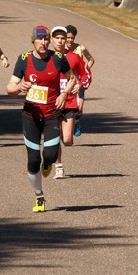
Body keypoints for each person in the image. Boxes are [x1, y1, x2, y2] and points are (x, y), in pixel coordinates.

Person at [6, 26, 76, 212]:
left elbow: (72, 78)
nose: (44, 43)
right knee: (33, 160)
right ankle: (39, 196)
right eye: (40, 39)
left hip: (52, 114)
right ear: (33, 41)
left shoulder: (58, 58)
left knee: (51, 156)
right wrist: (19, 86)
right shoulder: (23, 60)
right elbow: (9, 88)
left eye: (46, 39)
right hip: (31, 116)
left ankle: (48, 163)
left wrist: (64, 94)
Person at [51, 26, 92, 179]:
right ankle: (58, 167)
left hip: (68, 103)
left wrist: (80, 84)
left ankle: (68, 132)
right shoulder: (46, 57)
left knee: (67, 140)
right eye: (58, 38)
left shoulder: (74, 57)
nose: (61, 41)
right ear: (52, 40)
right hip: (51, 103)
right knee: (54, 137)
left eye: (63, 38)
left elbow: (86, 74)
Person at [65, 25, 95, 137]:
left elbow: (91, 60)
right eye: (67, 37)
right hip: (67, 80)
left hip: (79, 80)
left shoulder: (80, 48)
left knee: (80, 108)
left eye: (72, 38)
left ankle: (76, 121)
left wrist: (84, 71)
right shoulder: (61, 49)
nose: (69, 40)